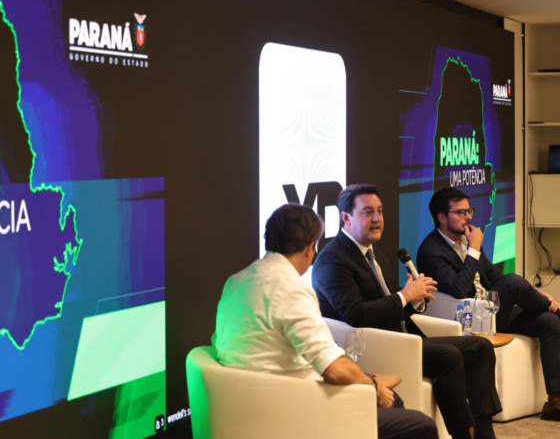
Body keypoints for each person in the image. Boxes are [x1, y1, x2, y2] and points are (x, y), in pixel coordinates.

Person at [213, 203, 437, 439]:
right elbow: (335, 370)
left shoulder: (237, 281)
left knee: (392, 400)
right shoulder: (290, 288)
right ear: (310, 247)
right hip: (292, 407)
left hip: (244, 405)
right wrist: (373, 387)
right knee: (420, 424)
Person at [312, 184, 501, 439]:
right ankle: (462, 435)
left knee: (480, 347)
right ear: (346, 217)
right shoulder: (333, 259)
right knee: (449, 356)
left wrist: (414, 298)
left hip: (404, 337)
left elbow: (393, 302)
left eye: (379, 211)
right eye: (368, 212)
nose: (377, 219)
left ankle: (485, 433)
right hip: (377, 345)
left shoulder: (376, 254)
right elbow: (355, 314)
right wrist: (404, 296)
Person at [417, 187, 560, 421]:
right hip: (469, 318)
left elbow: (495, 278)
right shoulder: (430, 251)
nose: (468, 217)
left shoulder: (467, 240)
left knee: (548, 320)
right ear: (441, 217)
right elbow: (458, 289)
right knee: (514, 282)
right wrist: (473, 249)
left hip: (491, 311)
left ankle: (555, 401)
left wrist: (534, 294)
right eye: (460, 212)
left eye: (469, 211)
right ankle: (548, 305)